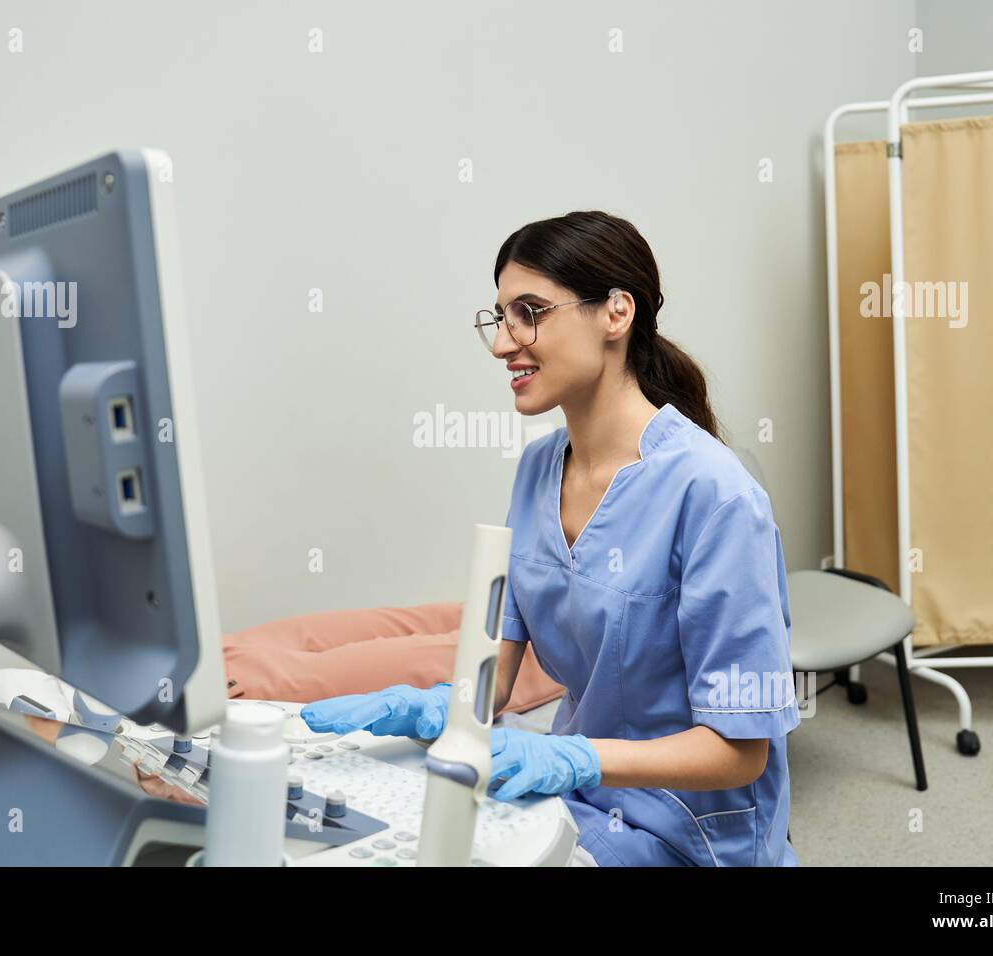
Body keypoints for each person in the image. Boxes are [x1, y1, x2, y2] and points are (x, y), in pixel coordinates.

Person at [303, 210, 799, 866]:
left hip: (691, 832)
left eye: (529, 312)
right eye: (500, 317)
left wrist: (568, 755)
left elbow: (740, 752)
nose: (504, 343)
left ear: (616, 314)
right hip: (575, 800)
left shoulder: (715, 494)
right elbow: (494, 682)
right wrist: (423, 710)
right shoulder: (539, 469)